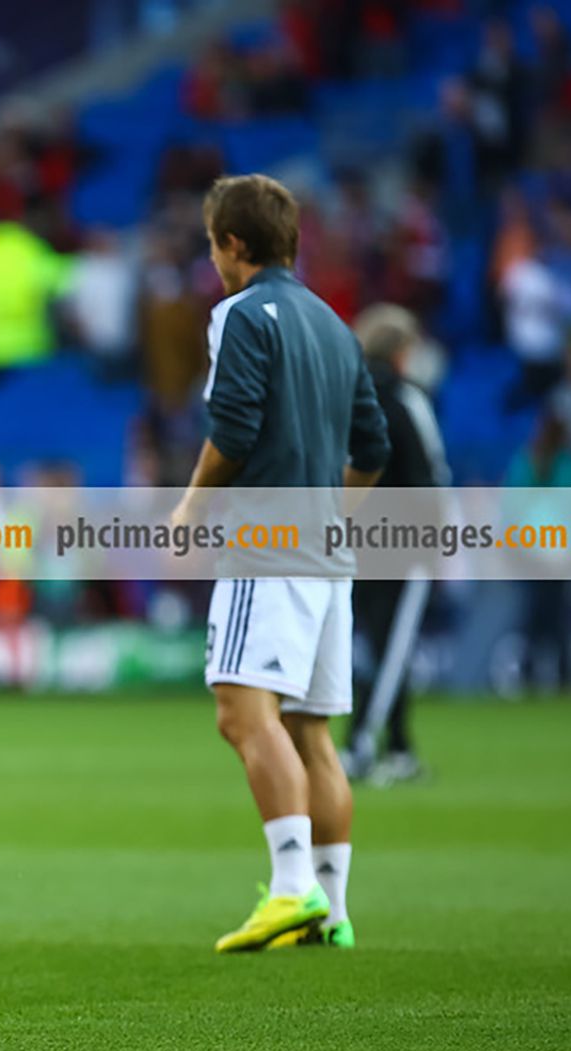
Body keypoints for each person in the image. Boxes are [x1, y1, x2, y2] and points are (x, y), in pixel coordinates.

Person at [171, 175, 389, 952]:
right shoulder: (335, 325)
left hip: (267, 542)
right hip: (328, 550)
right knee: (311, 728)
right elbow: (374, 447)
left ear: (233, 243)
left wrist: (191, 508)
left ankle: (292, 889)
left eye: (212, 242)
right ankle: (331, 908)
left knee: (243, 711)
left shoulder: (239, 314)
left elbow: (232, 429)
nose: (213, 256)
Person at [343, 305, 450, 785]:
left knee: (379, 646)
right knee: (391, 650)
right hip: (404, 544)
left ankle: (400, 748)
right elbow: (431, 478)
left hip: (356, 542)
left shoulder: (345, 398)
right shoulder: (407, 400)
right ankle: (360, 745)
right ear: (402, 351)